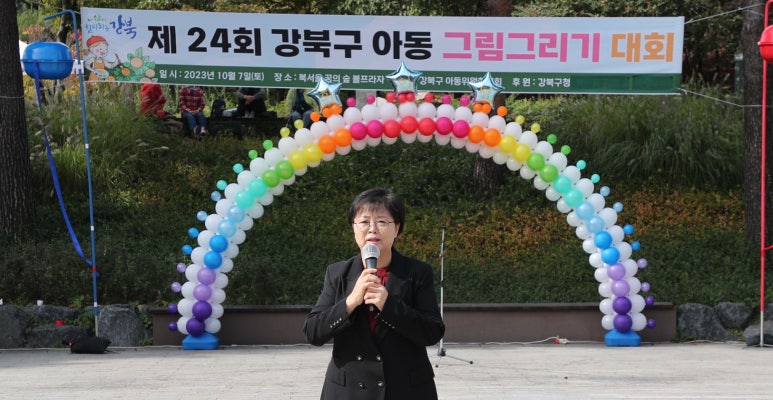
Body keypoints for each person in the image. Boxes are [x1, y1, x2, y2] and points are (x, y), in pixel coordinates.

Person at [303, 188, 445, 400]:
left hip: (406, 390)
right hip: (349, 391)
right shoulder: (337, 273)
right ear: (353, 228)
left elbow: (432, 332)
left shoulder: (417, 273)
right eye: (364, 222)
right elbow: (313, 332)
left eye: (381, 222)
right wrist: (350, 303)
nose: (372, 229)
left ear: (396, 228)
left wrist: (389, 306)